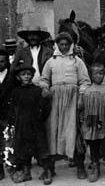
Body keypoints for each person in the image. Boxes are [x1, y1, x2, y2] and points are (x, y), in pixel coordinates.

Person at [39, 32, 91, 179]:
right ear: (57, 45)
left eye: (66, 44)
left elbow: (85, 81)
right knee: (52, 131)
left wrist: (81, 97)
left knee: (74, 131)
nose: (63, 47)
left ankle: (80, 167)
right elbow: (43, 79)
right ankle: (49, 169)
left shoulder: (77, 61)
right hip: (54, 99)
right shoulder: (51, 61)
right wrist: (44, 88)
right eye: (61, 44)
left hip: (72, 99)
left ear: (70, 45)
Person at [8, 63, 52, 184]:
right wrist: (13, 122)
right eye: (23, 75)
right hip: (22, 125)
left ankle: (47, 172)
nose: (26, 77)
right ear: (18, 77)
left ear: (32, 76)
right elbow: (13, 108)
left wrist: (40, 117)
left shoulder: (37, 90)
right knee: (23, 150)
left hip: (36, 125)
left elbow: (46, 107)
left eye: (28, 74)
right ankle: (26, 173)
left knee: (41, 149)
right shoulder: (16, 92)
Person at [79, 63, 105, 182]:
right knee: (93, 143)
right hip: (91, 122)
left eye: (101, 73)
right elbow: (82, 108)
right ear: (90, 75)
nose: (99, 76)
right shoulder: (86, 91)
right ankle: (95, 166)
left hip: (104, 121)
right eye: (96, 73)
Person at [0, 49, 15, 182]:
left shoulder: (12, 75)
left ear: (7, 61)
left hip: (8, 113)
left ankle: (12, 168)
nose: (0, 64)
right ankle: (0, 170)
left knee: (10, 141)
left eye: (3, 61)